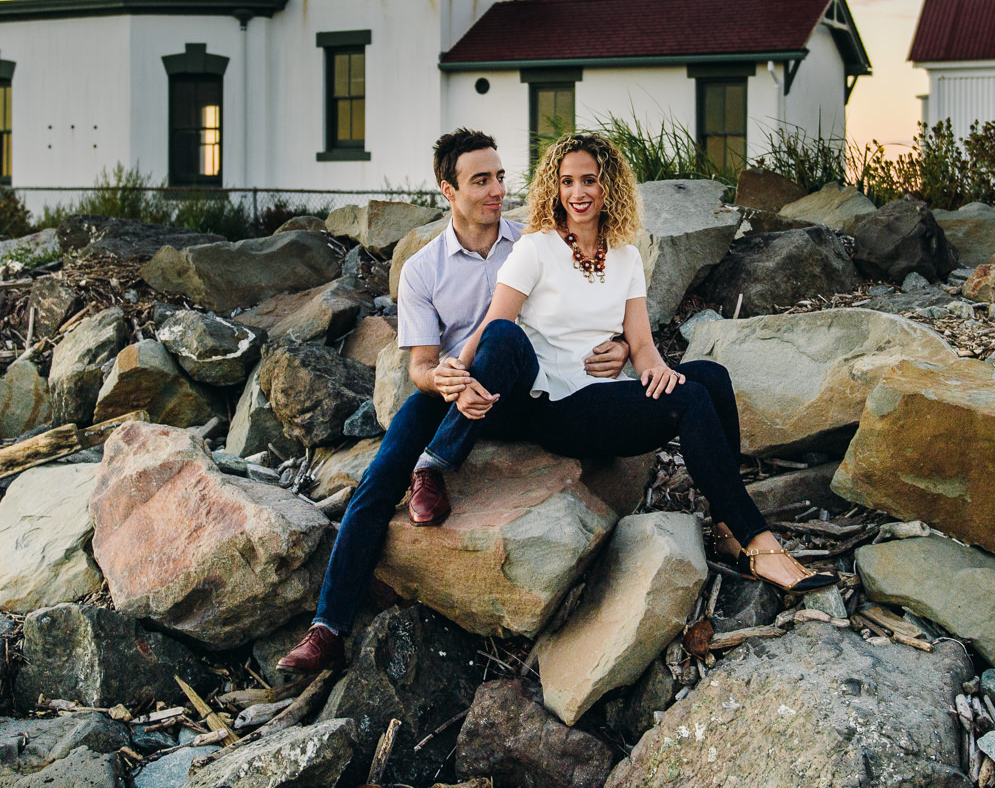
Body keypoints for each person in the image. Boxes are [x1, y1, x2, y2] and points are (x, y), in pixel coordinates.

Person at [278, 130, 830, 674]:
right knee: (378, 481)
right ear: (448, 190)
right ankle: (329, 626)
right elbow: (423, 362)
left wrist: (623, 348)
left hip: (533, 388)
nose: (497, 190)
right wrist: (445, 378)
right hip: (463, 392)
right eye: (481, 181)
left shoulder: (533, 237)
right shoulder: (424, 269)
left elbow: (585, 308)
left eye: (499, 177)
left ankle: (736, 531)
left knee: (705, 377)